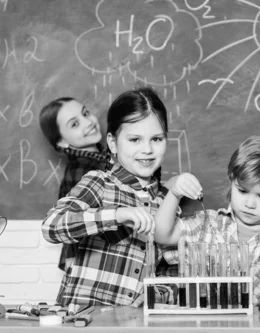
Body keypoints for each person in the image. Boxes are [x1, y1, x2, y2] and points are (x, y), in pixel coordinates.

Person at [41, 87, 177, 307]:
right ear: (113, 143)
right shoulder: (99, 182)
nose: (147, 150)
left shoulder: (166, 203)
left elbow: (169, 272)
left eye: (157, 139)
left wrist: (156, 294)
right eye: (134, 140)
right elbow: (51, 226)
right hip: (84, 319)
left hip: (131, 323)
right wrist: (118, 215)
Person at [154, 132, 260, 305]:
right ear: (232, 180)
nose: (250, 203)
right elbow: (161, 234)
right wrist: (174, 193)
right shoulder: (207, 224)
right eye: (242, 190)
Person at [39, 97, 112, 273]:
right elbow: (67, 222)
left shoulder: (106, 158)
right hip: (91, 262)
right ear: (62, 142)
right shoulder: (81, 171)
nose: (88, 122)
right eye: (74, 124)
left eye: (86, 113)